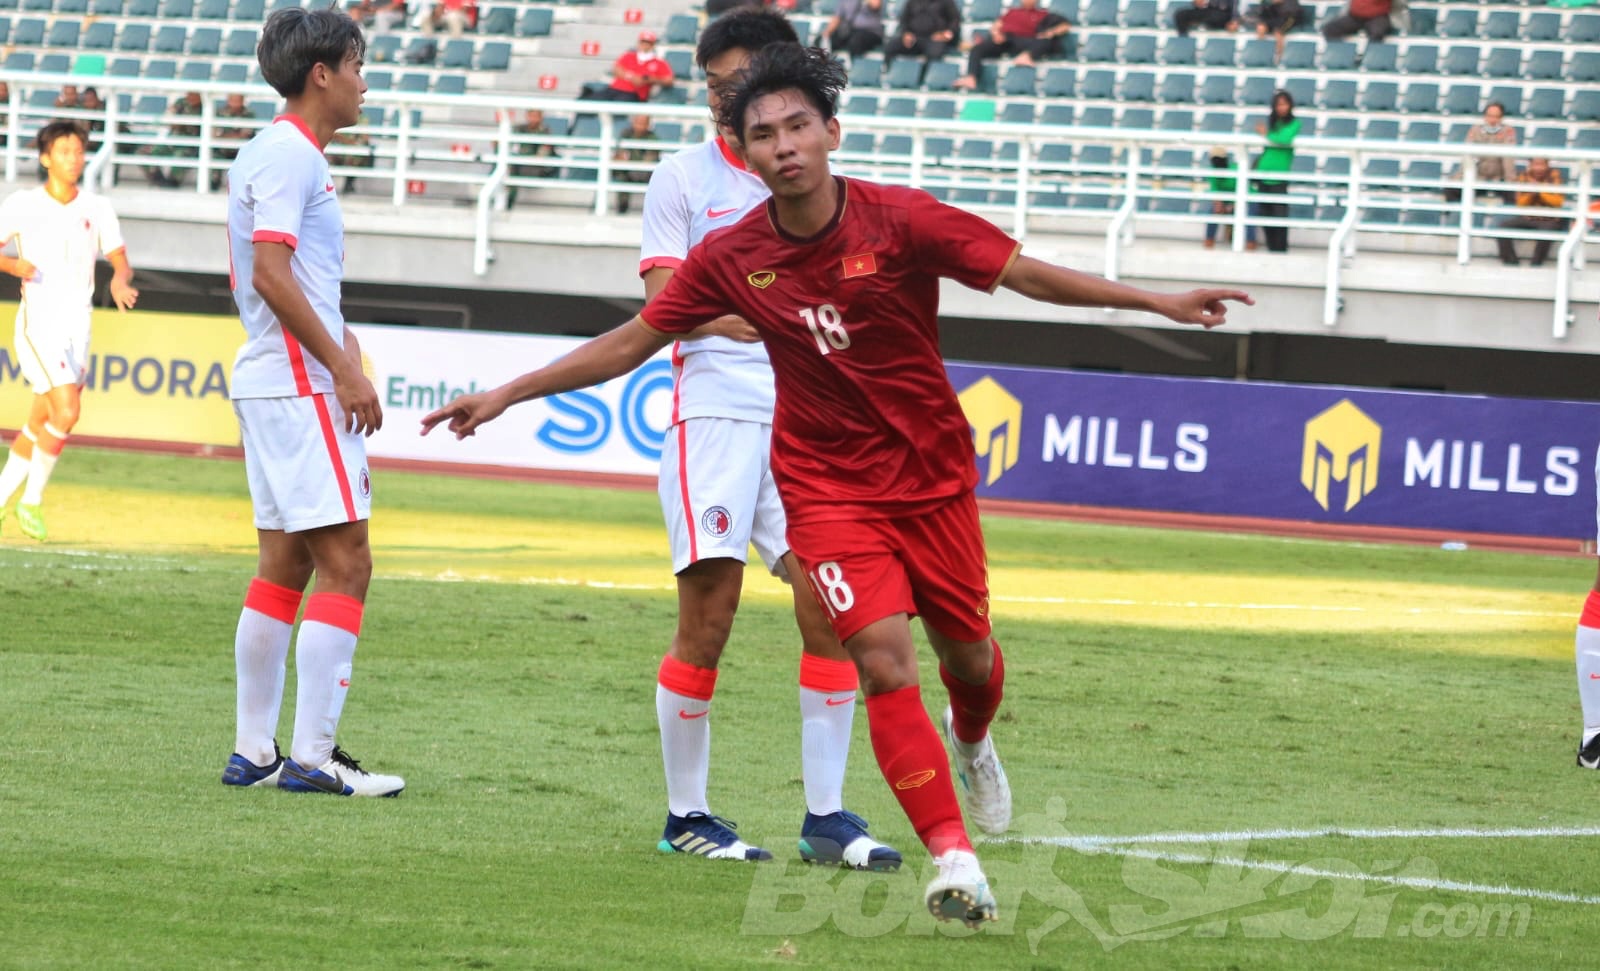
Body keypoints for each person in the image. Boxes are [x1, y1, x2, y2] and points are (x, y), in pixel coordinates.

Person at [421, 42, 1250, 923]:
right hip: (824, 490)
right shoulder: (730, 256)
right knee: (883, 662)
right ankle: (954, 859)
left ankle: (972, 738)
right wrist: (507, 392)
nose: (783, 145)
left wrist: (1154, 301)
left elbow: (1025, 274)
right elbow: (632, 340)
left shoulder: (902, 219)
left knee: (968, 659)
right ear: (741, 152)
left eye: (797, 127)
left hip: (930, 480)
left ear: (831, 133)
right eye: (763, 134)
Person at [625, 9, 900, 870]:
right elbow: (667, 302)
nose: (721, 102)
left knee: (831, 608)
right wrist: (743, 309)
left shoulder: (813, 180)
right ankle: (687, 815)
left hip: (806, 422)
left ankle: (827, 816)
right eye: (712, 88)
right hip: (715, 415)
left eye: (736, 83)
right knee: (709, 616)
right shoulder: (680, 179)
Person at [220, 6, 403, 798]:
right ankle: (314, 757)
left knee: (284, 564)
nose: (365, 81)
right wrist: (342, 368)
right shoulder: (291, 156)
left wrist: (344, 340)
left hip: (274, 377)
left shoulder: (274, 154)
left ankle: (255, 750)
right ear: (321, 73)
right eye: (358, 66)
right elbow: (271, 272)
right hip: (299, 385)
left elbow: (293, 279)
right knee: (347, 560)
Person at [0, 121, 137, 541]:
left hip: (80, 324)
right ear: (45, 158)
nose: (73, 158)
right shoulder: (22, 203)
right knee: (68, 410)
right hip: (39, 321)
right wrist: (11, 265)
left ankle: (3, 498)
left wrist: (119, 278)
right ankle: (32, 501)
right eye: (64, 151)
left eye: (78, 151)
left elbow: (119, 257)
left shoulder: (97, 207)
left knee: (43, 416)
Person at [952, 0, 1071, 90]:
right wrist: (996, 34)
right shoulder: (1011, 12)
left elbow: (1065, 26)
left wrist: (1050, 33)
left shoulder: (1043, 14)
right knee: (977, 49)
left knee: (1045, 41)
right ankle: (971, 77)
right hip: (1006, 40)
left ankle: (1027, 56)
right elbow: (997, 25)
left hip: (1027, 41)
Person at [1495, 158, 1568, 267]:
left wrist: (1540, 190)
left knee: (1547, 232)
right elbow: (1520, 203)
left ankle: (1536, 263)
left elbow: (1557, 202)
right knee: (1503, 227)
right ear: (1530, 165)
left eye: (1541, 164)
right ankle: (1511, 262)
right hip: (1528, 217)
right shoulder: (1524, 177)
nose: (1538, 168)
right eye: (1535, 164)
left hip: (1549, 218)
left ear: (1547, 165)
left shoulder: (1554, 177)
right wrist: (1531, 194)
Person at [1251, 89, 1298, 253]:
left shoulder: (1294, 123)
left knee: (1280, 216)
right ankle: (1271, 248)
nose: (1282, 108)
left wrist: (1267, 134)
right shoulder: (1274, 123)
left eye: (1284, 104)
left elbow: (1284, 140)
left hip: (1279, 176)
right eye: (1279, 104)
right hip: (1264, 174)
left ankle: (1281, 249)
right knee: (1265, 214)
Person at [1444, 102, 1517, 205]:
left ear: (1502, 118)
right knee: (1452, 189)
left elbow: (1508, 159)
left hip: (1499, 177)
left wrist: (1510, 180)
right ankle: (1454, 217)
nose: (1493, 120)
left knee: (1513, 194)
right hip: (1478, 176)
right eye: (1490, 116)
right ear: (1485, 116)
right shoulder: (1475, 130)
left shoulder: (1508, 131)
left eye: (1497, 116)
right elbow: (1468, 155)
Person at [882, 0, 960, 81]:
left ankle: (923, 79)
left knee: (934, 53)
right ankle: (888, 74)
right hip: (914, 37)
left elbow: (955, 20)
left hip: (934, 38)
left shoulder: (947, 2)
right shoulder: (912, 2)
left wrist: (946, 34)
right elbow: (904, 20)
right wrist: (906, 33)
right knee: (891, 46)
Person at [1203, 146, 1256, 250]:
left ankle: (1251, 242)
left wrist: (1233, 204)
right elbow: (1214, 190)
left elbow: (1245, 190)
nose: (1217, 162)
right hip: (1227, 200)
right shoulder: (1213, 171)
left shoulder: (1235, 169)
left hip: (1247, 200)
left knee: (1250, 213)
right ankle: (1209, 241)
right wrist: (1218, 203)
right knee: (1213, 211)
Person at [598, 31, 676, 102]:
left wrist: (651, 79)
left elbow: (669, 80)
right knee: (592, 100)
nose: (645, 45)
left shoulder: (659, 62)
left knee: (619, 106)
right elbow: (616, 69)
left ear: (653, 45)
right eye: (643, 42)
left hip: (634, 94)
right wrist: (631, 77)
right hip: (614, 89)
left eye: (648, 43)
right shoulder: (629, 56)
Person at [506, 107, 558, 207]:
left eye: (536, 116)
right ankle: (507, 201)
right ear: (527, 116)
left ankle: (508, 202)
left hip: (537, 168)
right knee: (511, 167)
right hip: (519, 165)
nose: (533, 119)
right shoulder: (519, 129)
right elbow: (509, 146)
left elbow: (543, 154)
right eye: (531, 116)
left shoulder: (545, 132)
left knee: (513, 170)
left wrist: (527, 159)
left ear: (541, 117)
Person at [612, 113, 659, 215]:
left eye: (643, 123)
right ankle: (622, 209)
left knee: (659, 181)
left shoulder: (652, 137)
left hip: (646, 172)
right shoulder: (626, 134)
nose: (639, 126)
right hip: (629, 170)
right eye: (637, 122)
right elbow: (618, 155)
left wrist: (632, 163)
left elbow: (651, 158)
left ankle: (654, 212)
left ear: (648, 125)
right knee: (622, 177)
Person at [212, 93, 257, 191]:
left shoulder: (248, 114)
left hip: (241, 149)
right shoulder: (219, 113)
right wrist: (230, 136)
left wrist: (224, 137)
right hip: (222, 148)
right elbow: (214, 134)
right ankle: (214, 182)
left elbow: (245, 134)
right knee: (213, 154)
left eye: (238, 100)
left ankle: (242, 187)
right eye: (233, 99)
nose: (235, 103)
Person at [1322, 0, 1391, 43]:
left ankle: (1371, 60)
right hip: (1355, 16)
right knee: (1330, 29)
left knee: (1377, 33)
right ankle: (1344, 56)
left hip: (1377, 17)